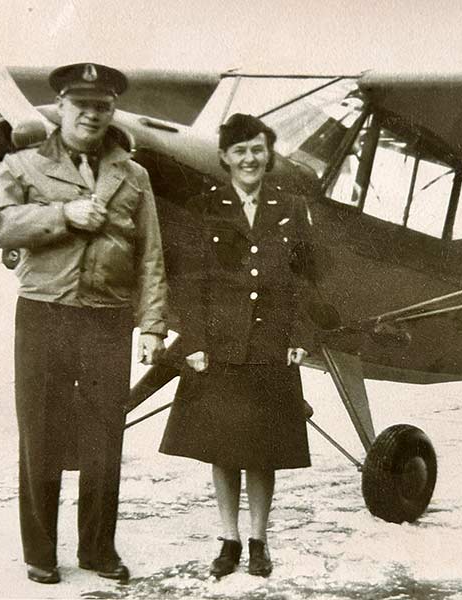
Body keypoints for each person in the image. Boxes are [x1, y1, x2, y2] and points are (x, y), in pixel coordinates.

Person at [0, 63, 167, 585]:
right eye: (80, 104)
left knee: (106, 434)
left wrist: (152, 324)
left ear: (112, 112)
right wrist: (63, 215)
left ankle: (98, 551)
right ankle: (40, 553)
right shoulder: (21, 165)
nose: (91, 113)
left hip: (108, 318)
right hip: (44, 313)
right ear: (60, 108)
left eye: (102, 105)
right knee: (39, 430)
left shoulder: (134, 175)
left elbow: (151, 253)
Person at [160, 113, 315, 579]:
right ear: (224, 158)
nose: (250, 158)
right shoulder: (203, 206)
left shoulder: (291, 206)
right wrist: (194, 340)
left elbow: (308, 277)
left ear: (268, 155)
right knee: (223, 448)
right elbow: (189, 282)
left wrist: (301, 336)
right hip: (221, 344)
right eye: (240, 150)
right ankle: (228, 540)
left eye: (257, 149)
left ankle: (259, 541)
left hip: (271, 344)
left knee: (263, 450)